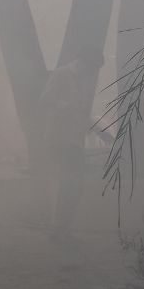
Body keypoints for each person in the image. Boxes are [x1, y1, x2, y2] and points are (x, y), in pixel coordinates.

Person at [37, 47, 104, 237]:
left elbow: (80, 113)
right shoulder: (61, 74)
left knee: (73, 183)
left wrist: (100, 132)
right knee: (70, 182)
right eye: (90, 68)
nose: (90, 73)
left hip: (72, 140)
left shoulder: (78, 81)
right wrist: (62, 106)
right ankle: (59, 227)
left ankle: (61, 227)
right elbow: (45, 99)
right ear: (82, 63)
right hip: (61, 139)